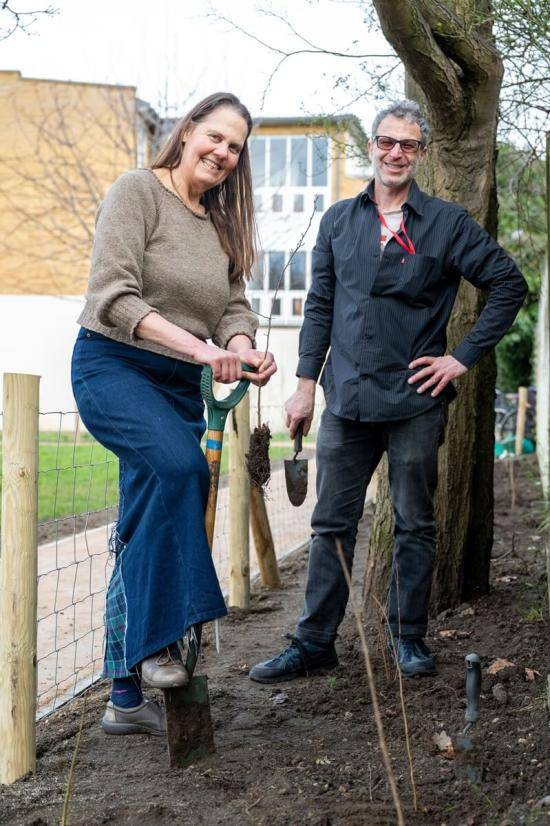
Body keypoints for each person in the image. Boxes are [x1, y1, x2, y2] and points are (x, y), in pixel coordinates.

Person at [249, 99, 527, 684]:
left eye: (409, 144)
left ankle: (408, 638)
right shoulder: (338, 221)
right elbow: (320, 305)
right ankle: (314, 643)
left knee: (414, 523)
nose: (396, 153)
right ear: (371, 147)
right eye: (386, 142)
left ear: (421, 154)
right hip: (345, 399)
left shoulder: (447, 223)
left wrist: (459, 359)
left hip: (414, 402)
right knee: (330, 525)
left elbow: (508, 283)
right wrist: (304, 387)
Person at [72, 92, 277, 735]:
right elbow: (113, 296)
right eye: (214, 137)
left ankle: (124, 698)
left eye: (235, 147)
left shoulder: (220, 222)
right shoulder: (136, 192)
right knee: (181, 469)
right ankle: (167, 639)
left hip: (181, 385)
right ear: (187, 132)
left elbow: (233, 307)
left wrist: (241, 349)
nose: (222, 152)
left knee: (141, 523)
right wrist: (203, 349)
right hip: (114, 367)